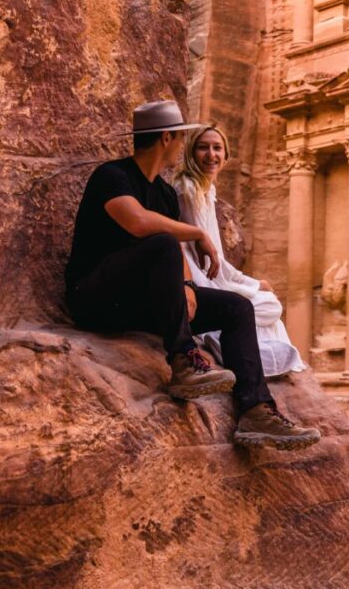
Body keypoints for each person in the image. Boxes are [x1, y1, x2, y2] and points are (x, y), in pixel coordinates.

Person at [64, 99, 319, 450]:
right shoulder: (112, 175)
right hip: (94, 298)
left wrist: (185, 286)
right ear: (167, 138)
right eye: (182, 138)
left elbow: (176, 256)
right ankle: (185, 360)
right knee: (164, 243)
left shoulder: (165, 194)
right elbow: (138, 223)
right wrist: (196, 234)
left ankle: (256, 410)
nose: (182, 147)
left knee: (236, 307)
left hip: (140, 303)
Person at [173, 124, 304, 379]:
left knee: (269, 305)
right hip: (200, 279)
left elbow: (216, 257)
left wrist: (250, 282)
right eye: (203, 147)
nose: (211, 154)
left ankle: (240, 345)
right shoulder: (187, 190)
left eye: (217, 148)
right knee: (267, 305)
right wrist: (250, 285)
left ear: (226, 156)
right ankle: (221, 341)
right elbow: (209, 262)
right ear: (190, 152)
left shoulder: (205, 191)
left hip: (209, 276)